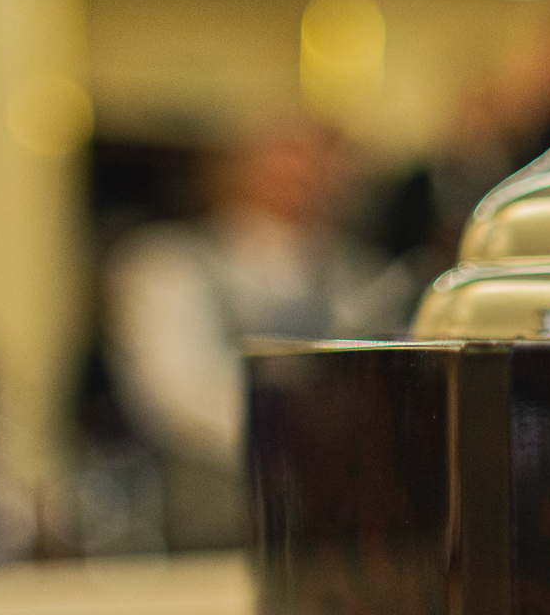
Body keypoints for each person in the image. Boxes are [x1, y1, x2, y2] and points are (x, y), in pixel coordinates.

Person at [105, 117, 410, 550]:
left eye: (324, 159)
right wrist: (309, 434)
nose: (309, 173)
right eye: (289, 154)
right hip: (218, 515)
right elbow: (180, 395)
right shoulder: (169, 266)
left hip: (344, 524)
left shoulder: (366, 279)